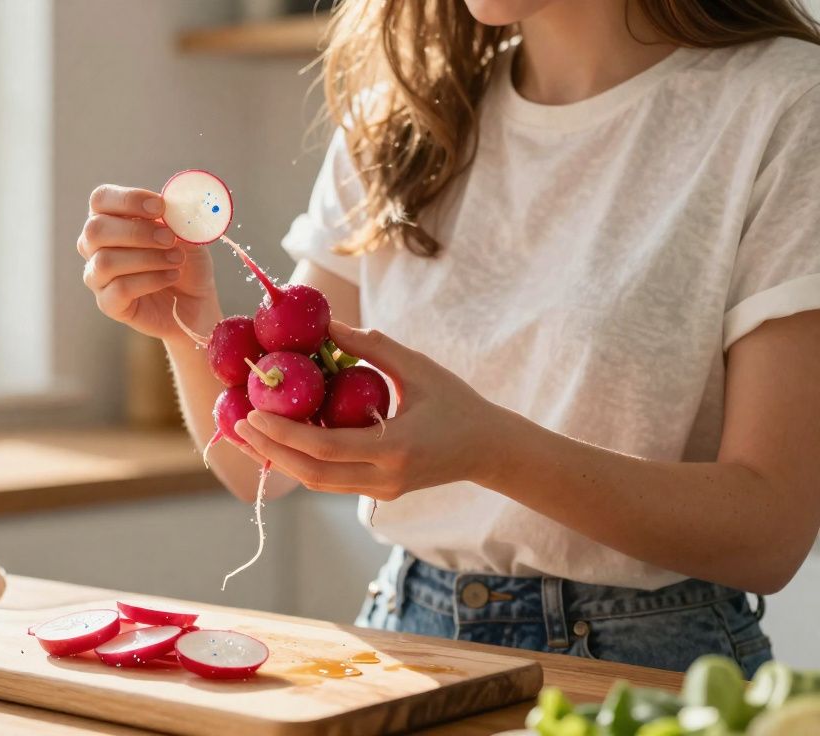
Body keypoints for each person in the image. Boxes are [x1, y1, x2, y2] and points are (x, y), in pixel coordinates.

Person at [76, 0, 820, 675]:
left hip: (646, 668)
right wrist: (188, 323)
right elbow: (262, 473)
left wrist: (492, 451)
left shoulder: (785, 103)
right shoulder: (398, 120)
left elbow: (769, 531)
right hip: (406, 640)